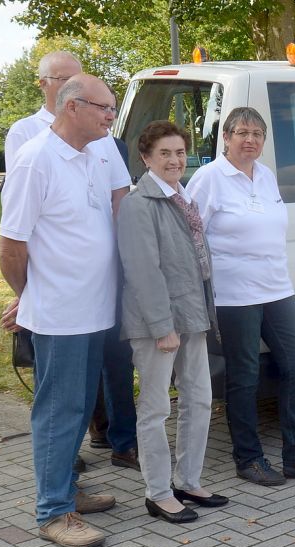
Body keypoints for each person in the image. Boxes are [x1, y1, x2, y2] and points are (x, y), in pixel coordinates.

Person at [187, 107, 295, 486]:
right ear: (225, 137)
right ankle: (249, 458)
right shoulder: (210, 179)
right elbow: (191, 237)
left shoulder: (266, 175)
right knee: (244, 376)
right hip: (233, 294)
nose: (250, 140)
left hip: (277, 288)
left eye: (257, 134)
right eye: (242, 132)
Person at [0, 74, 124, 547]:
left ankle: (66, 492)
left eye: (111, 108)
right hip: (61, 314)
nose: (111, 116)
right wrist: (31, 297)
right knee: (59, 411)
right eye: (103, 107)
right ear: (72, 107)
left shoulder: (95, 155)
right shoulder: (36, 160)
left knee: (77, 409)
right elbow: (11, 247)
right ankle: (53, 512)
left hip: (95, 309)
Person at [117, 121, 228, 524]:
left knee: (199, 400)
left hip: (192, 315)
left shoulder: (183, 196)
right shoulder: (138, 205)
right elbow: (143, 271)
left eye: (180, 152)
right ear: (146, 158)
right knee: (155, 408)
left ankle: (189, 481)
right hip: (157, 325)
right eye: (164, 153)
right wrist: (163, 327)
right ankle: (158, 492)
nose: (174, 160)